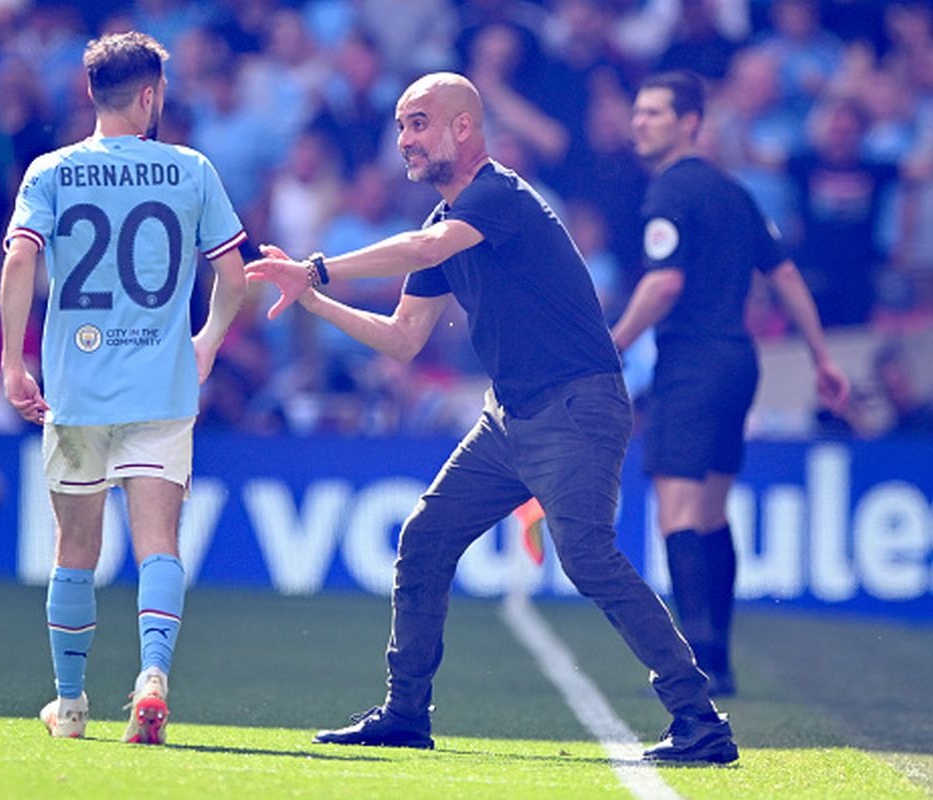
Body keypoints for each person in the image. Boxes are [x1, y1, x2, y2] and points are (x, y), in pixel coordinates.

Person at [245, 71, 738, 764]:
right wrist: (311, 298)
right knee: (425, 538)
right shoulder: (444, 223)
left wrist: (317, 267)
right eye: (399, 126)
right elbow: (402, 338)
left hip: (576, 406)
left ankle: (700, 720)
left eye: (418, 123)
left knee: (588, 558)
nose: (404, 141)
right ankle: (406, 712)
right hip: (510, 419)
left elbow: (422, 254)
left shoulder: (496, 196)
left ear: (463, 129)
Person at [0, 30, 247, 745]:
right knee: (158, 544)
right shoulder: (190, 169)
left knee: (74, 549)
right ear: (150, 95)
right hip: (161, 390)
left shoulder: (51, 170)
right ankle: (152, 677)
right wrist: (207, 341)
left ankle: (70, 706)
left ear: (90, 94)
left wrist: (14, 362)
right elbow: (232, 276)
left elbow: (20, 261)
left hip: (73, 391)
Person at [611, 70, 851, 698]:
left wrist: (612, 347)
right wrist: (822, 358)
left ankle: (697, 666)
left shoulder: (669, 192)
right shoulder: (734, 192)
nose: (640, 123)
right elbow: (788, 276)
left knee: (679, 512)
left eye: (655, 113)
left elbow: (665, 284)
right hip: (739, 363)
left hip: (690, 365)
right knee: (712, 513)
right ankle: (719, 657)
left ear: (691, 122)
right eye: (637, 113)